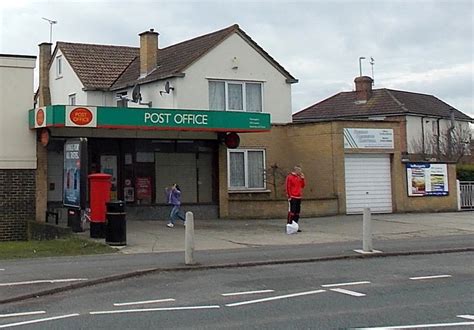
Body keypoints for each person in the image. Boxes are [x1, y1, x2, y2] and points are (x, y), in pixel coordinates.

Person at [285, 165, 305, 232]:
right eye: (299, 170)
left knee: (297, 212)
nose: (300, 172)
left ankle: (295, 226)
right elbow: (288, 187)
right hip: (293, 197)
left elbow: (302, 186)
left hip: (299, 197)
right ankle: (289, 225)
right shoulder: (290, 177)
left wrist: (302, 179)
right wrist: (289, 196)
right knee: (292, 212)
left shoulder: (299, 177)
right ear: (295, 170)